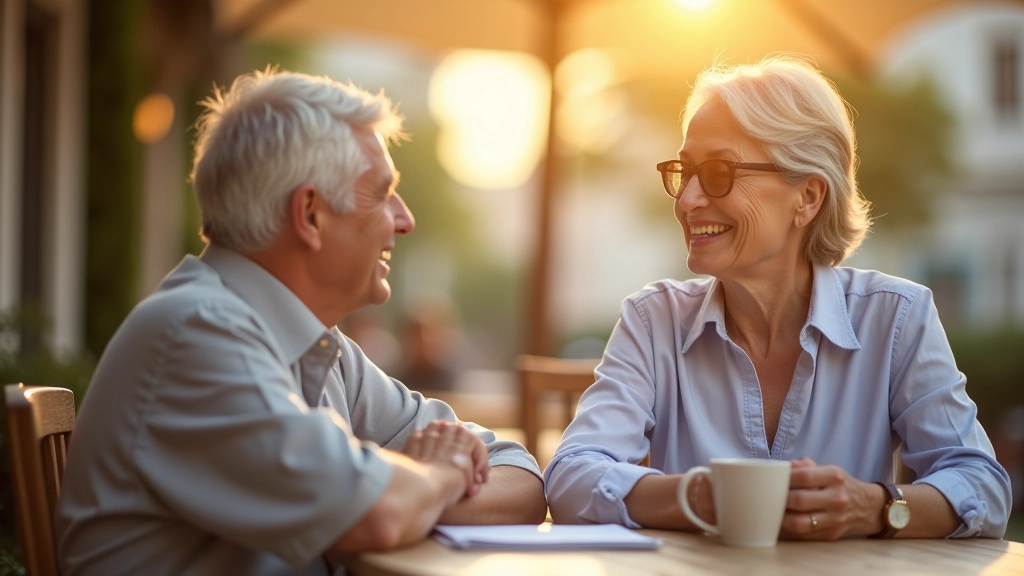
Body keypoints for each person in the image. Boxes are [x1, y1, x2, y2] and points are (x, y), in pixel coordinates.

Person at [56, 69, 546, 576]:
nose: (404, 219)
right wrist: (438, 475)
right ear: (311, 214)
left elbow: (521, 477)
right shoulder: (195, 335)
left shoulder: (321, 346)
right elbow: (376, 519)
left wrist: (412, 499)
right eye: (381, 194)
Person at [544, 55, 1011, 540]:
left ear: (807, 197)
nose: (686, 201)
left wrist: (874, 508)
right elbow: (572, 476)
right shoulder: (653, 319)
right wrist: (699, 497)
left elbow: (983, 488)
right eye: (685, 172)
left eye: (719, 172)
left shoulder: (896, 318)